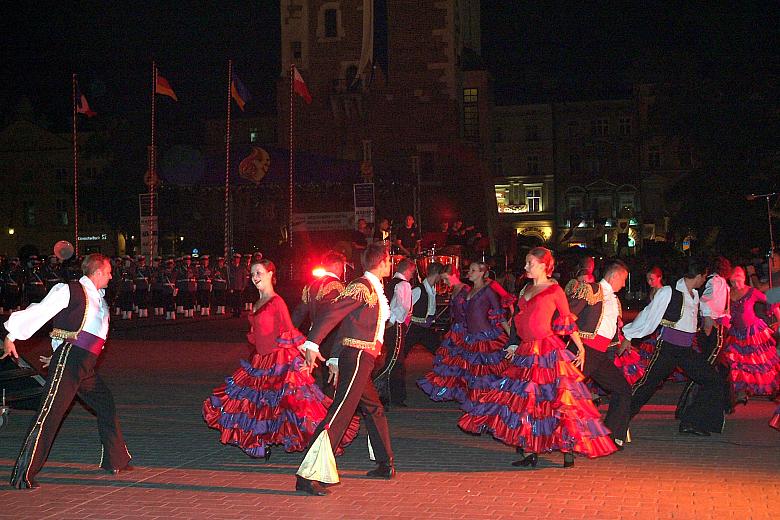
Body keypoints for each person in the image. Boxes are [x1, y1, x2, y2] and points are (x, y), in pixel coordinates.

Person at [458, 247, 616, 468]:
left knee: (556, 400)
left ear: (543, 265)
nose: (525, 267)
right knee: (526, 401)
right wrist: (514, 343)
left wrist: (580, 348)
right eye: (526, 263)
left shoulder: (554, 290)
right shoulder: (526, 289)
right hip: (525, 350)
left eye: (529, 263)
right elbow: (518, 320)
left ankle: (567, 449)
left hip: (547, 351)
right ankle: (529, 450)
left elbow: (567, 321)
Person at [203, 258, 356, 461]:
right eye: (253, 274)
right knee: (255, 405)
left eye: (259, 273)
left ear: (270, 275)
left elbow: (289, 330)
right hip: (260, 361)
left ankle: (325, 439)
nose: (255, 277)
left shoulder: (276, 302)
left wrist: (310, 349)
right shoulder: (258, 302)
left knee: (295, 407)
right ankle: (256, 444)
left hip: (278, 360)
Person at [2, 253, 132, 489]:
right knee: (49, 414)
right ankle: (23, 475)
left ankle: (116, 460)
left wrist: (55, 350)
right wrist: (12, 335)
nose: (112, 276)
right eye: (109, 272)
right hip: (70, 362)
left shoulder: (98, 298)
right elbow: (41, 312)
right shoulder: (70, 290)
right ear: (98, 272)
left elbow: (79, 330)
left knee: (106, 403)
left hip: (84, 365)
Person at [295, 243, 395, 496]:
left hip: (364, 357)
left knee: (373, 407)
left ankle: (385, 463)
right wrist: (312, 342)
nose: (389, 264)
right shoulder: (361, 287)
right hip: (358, 357)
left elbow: (349, 325)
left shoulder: (373, 287)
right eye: (388, 260)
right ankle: (308, 475)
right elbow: (333, 313)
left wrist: (335, 360)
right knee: (341, 412)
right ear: (382, 262)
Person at [622, 259, 725, 436]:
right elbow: (648, 314)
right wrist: (629, 334)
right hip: (668, 349)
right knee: (647, 385)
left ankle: (691, 422)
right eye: (704, 276)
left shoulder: (695, 295)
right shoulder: (670, 292)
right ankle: (618, 421)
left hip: (685, 350)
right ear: (699, 276)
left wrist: (708, 320)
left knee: (712, 380)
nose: (704, 280)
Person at [417, 262, 511, 404]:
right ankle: (471, 398)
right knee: (463, 368)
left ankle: (486, 400)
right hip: (465, 334)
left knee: (485, 371)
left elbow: (497, 312)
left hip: (478, 334)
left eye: (447, 278)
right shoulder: (468, 290)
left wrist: (512, 337)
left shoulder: (472, 289)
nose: (445, 282)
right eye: (443, 279)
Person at [566, 260, 633, 449]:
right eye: (624, 279)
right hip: (584, 352)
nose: (624, 284)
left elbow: (608, 328)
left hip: (600, 354)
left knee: (623, 389)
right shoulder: (591, 290)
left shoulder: (614, 299)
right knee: (564, 394)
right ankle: (553, 436)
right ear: (615, 276)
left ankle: (611, 436)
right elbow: (568, 314)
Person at [677, 256, 732, 418]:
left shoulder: (715, 281)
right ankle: (688, 407)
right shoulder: (717, 281)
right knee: (706, 368)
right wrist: (708, 319)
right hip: (715, 326)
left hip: (715, 325)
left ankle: (726, 402)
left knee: (722, 367)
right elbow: (706, 301)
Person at [720, 266, 780, 408]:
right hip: (736, 333)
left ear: (743, 278)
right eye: (732, 281)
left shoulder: (751, 291)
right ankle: (741, 392)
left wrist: (774, 311)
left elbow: (769, 300)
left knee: (761, 362)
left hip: (753, 332)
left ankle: (771, 388)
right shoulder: (729, 292)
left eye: (737, 281)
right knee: (738, 364)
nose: (735, 284)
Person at [291, 251, 347, 390]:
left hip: (314, 337)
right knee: (333, 378)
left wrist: (289, 332)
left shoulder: (311, 285)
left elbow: (299, 313)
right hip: (332, 337)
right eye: (342, 267)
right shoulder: (336, 285)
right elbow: (334, 315)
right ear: (336, 266)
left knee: (320, 377)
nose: (342, 270)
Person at [374, 258, 415, 407]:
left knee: (396, 360)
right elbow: (402, 307)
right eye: (412, 272)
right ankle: (375, 389)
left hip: (391, 324)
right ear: (408, 270)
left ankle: (394, 394)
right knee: (394, 360)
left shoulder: (391, 283)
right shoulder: (403, 284)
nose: (412, 276)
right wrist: (394, 321)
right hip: (396, 325)